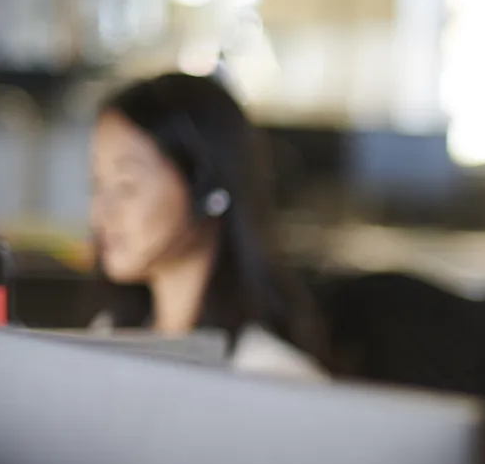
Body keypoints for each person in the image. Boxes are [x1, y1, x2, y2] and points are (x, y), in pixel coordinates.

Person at [89, 72, 328, 380]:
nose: (100, 212)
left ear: (207, 191)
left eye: (127, 185)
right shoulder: (104, 337)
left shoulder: (272, 375)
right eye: (96, 183)